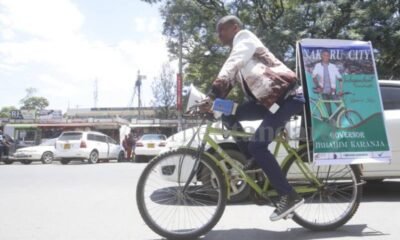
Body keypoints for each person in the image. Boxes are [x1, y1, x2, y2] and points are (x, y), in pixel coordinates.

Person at [199, 15, 305, 221]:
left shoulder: (245, 39)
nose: (219, 34)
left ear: (235, 27)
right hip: (269, 102)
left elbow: (231, 65)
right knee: (229, 112)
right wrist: (209, 102)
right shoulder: (241, 52)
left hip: (287, 99)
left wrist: (213, 93)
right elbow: (229, 80)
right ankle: (253, 163)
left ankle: (289, 195)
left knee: (258, 145)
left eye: (222, 29)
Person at [312, 49, 343, 116]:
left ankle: (336, 118)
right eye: (324, 55)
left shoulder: (333, 66)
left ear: (329, 57)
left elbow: (340, 78)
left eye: (328, 55)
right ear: (321, 56)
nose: (326, 57)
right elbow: (314, 77)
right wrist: (318, 86)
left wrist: (341, 90)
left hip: (332, 91)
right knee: (329, 111)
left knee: (341, 107)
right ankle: (332, 123)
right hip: (323, 92)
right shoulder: (317, 66)